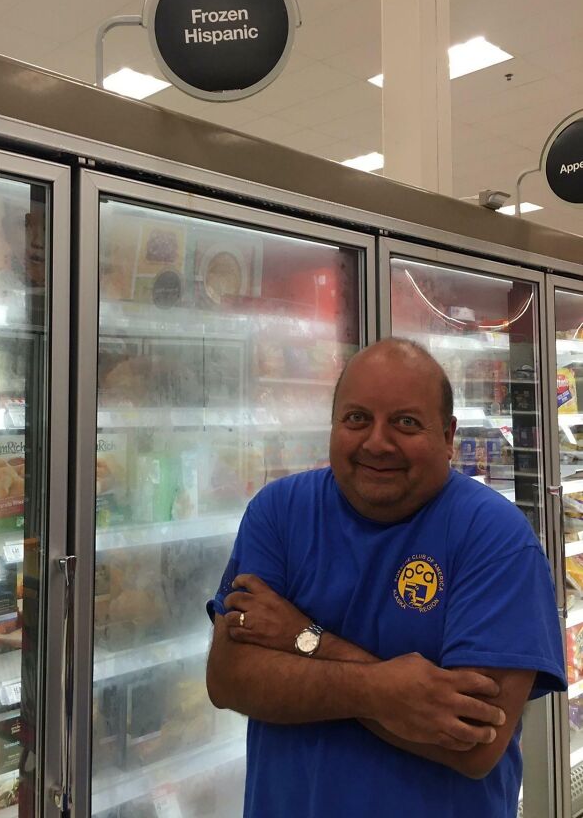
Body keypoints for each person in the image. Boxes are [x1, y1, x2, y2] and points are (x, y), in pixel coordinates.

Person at [206, 338, 566, 817]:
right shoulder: (278, 513)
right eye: (357, 418)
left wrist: (304, 637)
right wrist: (382, 689)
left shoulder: (496, 539)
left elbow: (474, 742)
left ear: (448, 436)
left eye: (406, 422)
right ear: (334, 426)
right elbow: (230, 679)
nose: (377, 441)